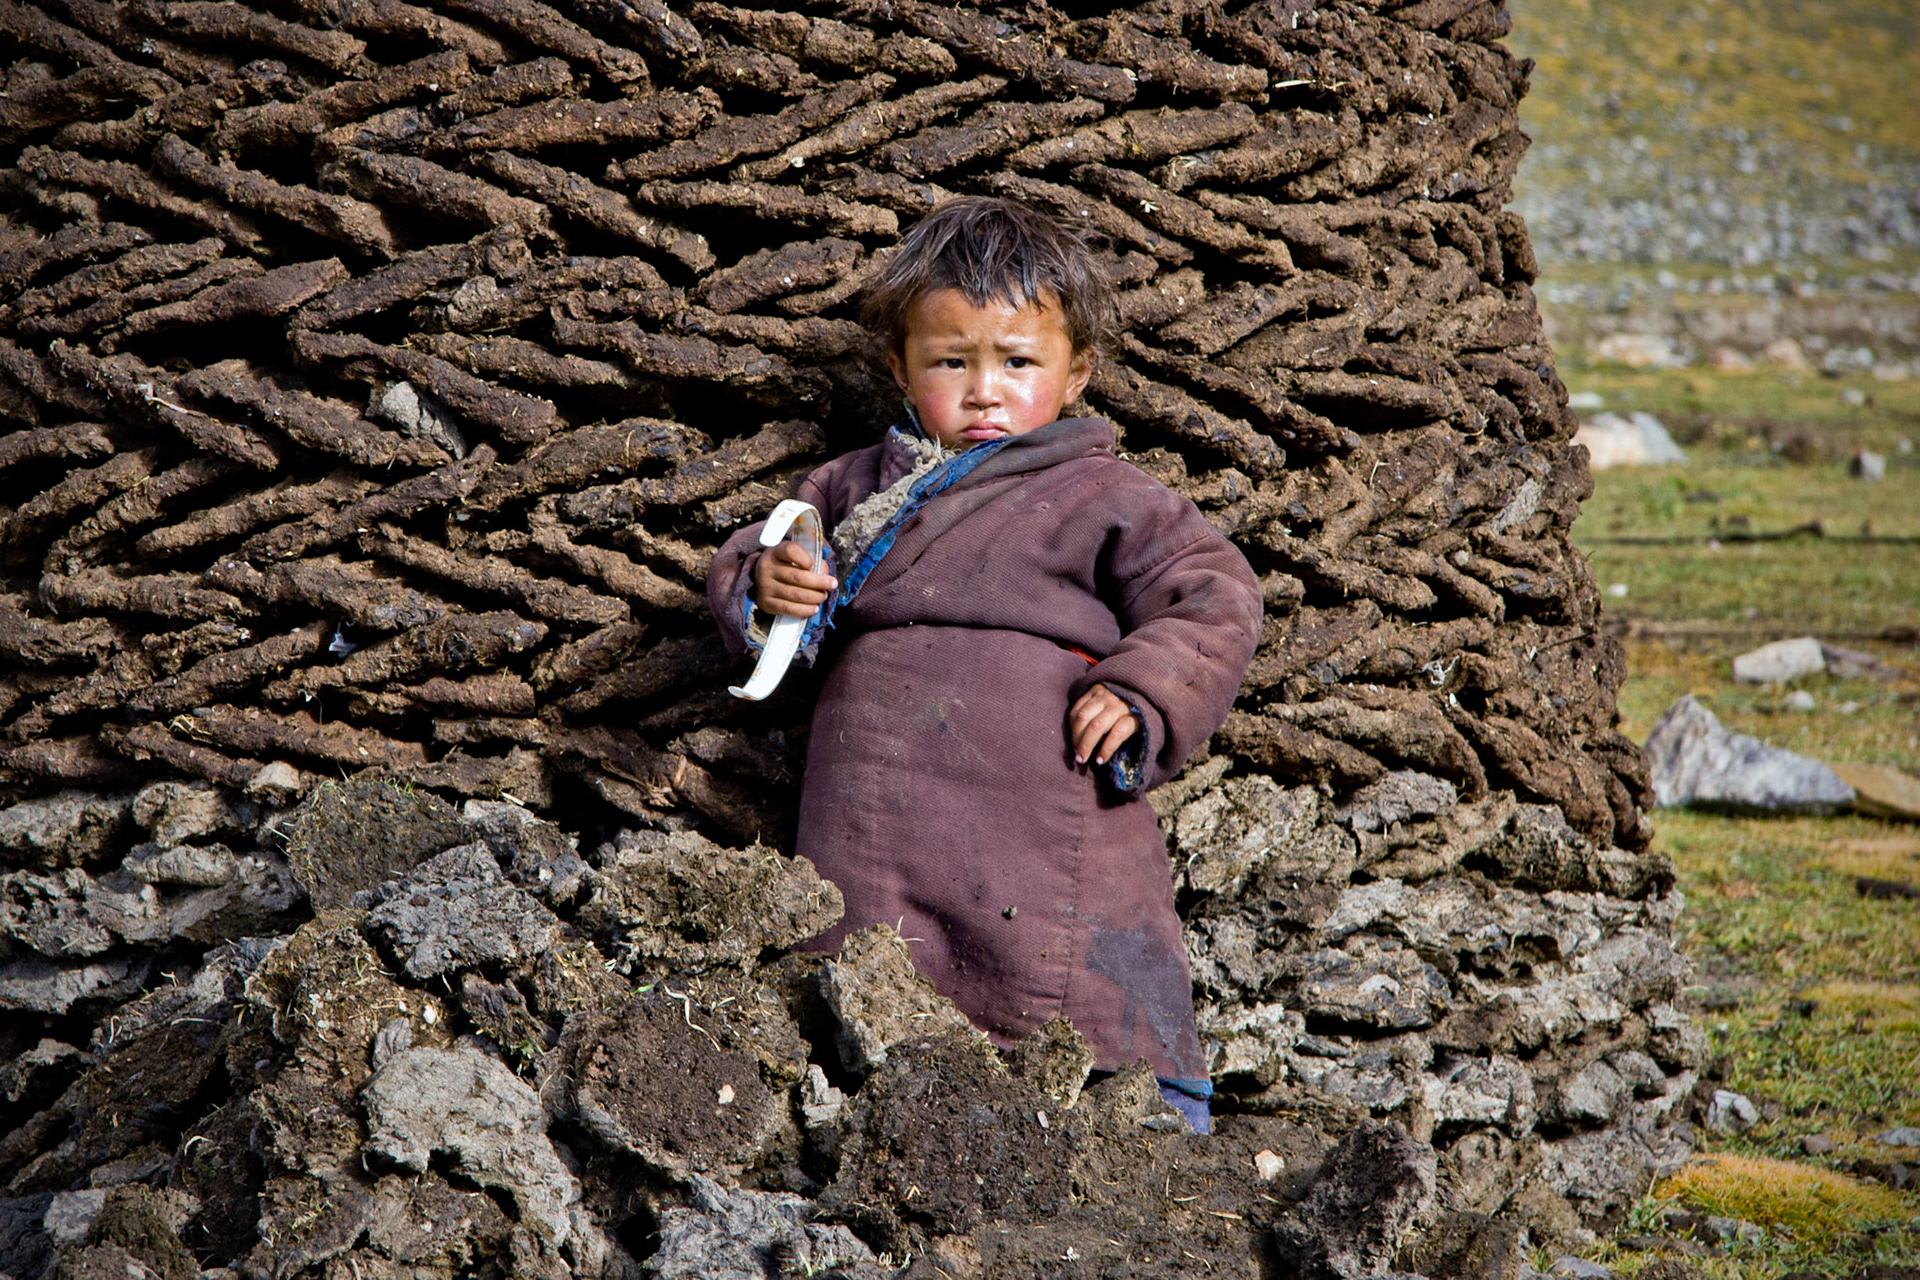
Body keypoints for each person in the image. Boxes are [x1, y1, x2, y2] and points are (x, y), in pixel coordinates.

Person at [706, 197, 1262, 1132]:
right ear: (900, 366)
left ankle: (1134, 1139)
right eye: (950, 362)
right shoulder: (851, 488)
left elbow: (1212, 595)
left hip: (1039, 804)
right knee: (864, 983)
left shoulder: (1107, 495)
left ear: (1076, 372)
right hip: (873, 799)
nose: (983, 391)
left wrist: (1142, 690)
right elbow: (769, 555)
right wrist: (766, 588)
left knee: (1065, 990)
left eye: (1017, 362)